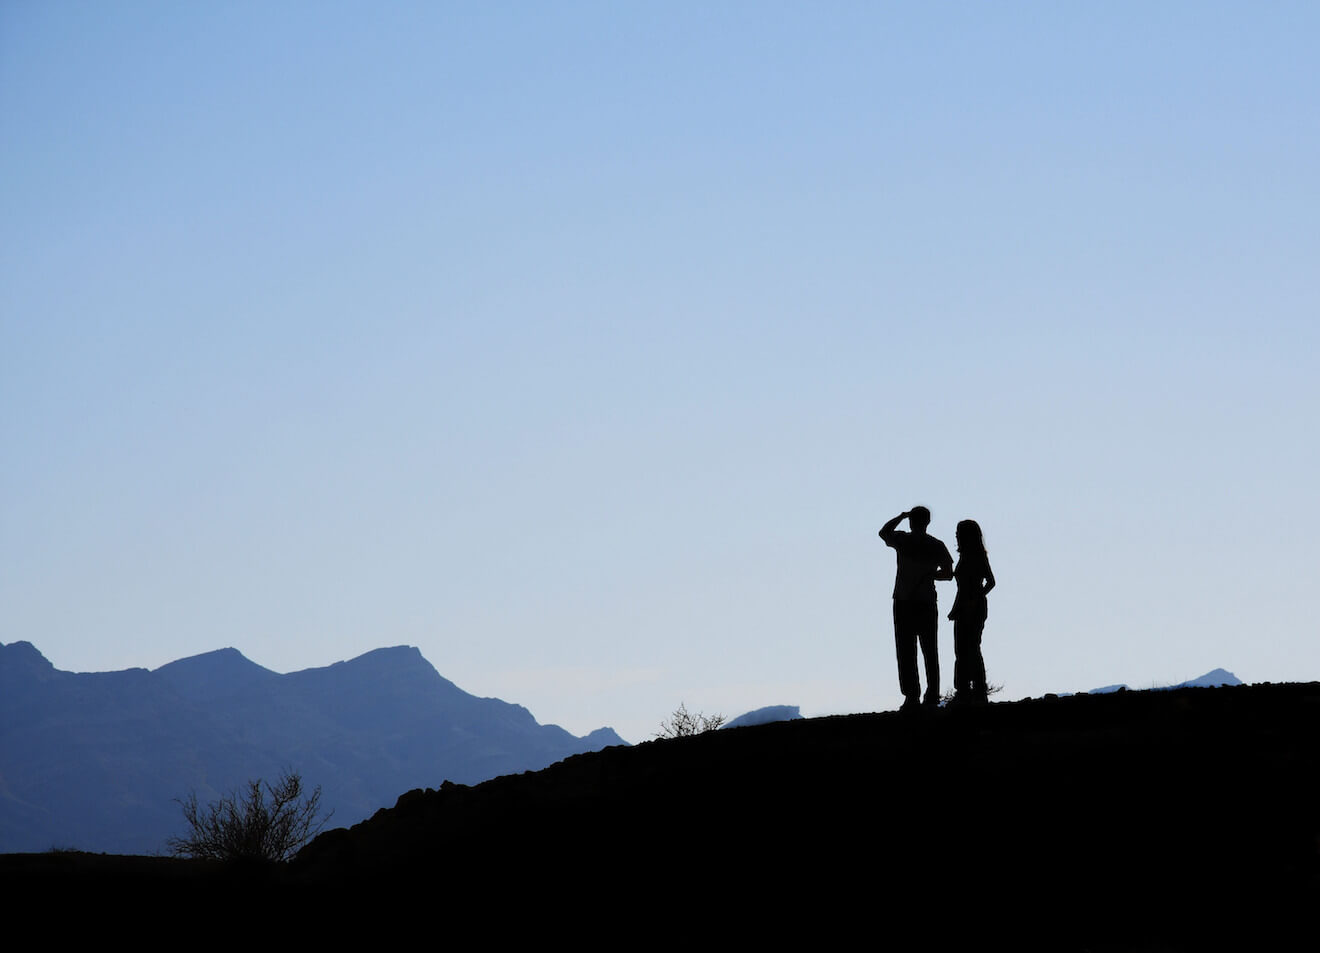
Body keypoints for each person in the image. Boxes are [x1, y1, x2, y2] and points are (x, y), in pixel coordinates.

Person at [879, 507, 953, 711]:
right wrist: (930, 576)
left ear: (912, 521)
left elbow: (883, 532)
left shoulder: (903, 540)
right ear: (927, 522)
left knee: (905, 650)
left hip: (903, 601)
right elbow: (948, 573)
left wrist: (900, 517)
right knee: (930, 649)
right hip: (926, 601)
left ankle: (912, 696)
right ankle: (931, 696)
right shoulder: (936, 544)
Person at [948, 519, 995, 705]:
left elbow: (991, 581)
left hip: (973, 607)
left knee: (969, 648)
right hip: (965, 606)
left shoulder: (975, 556)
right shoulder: (968, 555)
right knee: (965, 648)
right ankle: (969, 690)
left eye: (959, 533)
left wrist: (974, 599)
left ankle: (972, 691)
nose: (956, 536)